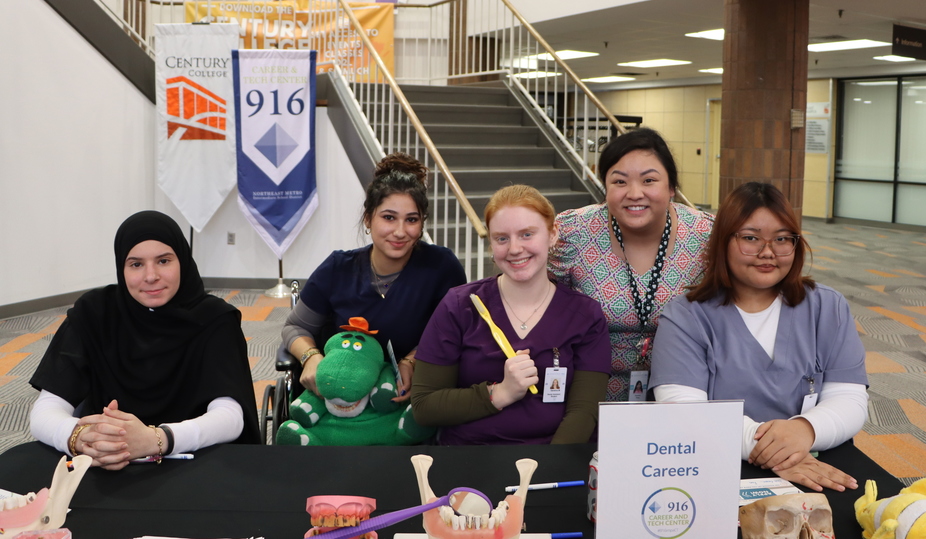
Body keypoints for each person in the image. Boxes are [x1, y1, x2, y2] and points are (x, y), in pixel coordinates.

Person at [650, 182, 868, 493]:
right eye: (750, 238)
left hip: (817, 464)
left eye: (782, 239)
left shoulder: (826, 306)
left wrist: (804, 430)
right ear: (723, 242)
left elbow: (850, 399)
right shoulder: (685, 317)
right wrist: (775, 450)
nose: (768, 252)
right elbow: (684, 411)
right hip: (718, 470)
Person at [30, 211, 260, 469]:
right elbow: (45, 410)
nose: (151, 276)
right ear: (122, 267)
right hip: (106, 464)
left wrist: (156, 439)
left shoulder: (215, 320)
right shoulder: (94, 314)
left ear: (182, 261)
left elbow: (231, 417)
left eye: (163, 261)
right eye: (136, 264)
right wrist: (80, 437)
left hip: (191, 463)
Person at [411, 185, 611, 445]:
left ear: (552, 235)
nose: (515, 249)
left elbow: (583, 414)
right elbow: (425, 406)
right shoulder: (460, 306)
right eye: (502, 238)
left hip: (552, 464)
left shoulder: (585, 315)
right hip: (469, 461)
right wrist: (500, 393)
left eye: (527, 234)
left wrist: (542, 472)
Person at [282, 153, 466, 401]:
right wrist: (311, 356)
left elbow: (455, 332)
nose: (400, 232)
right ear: (368, 218)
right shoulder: (338, 268)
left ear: (421, 225)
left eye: (411, 220)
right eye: (389, 218)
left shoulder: (441, 267)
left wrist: (412, 361)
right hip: (338, 395)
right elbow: (295, 326)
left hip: (408, 397)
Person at [549, 127, 714, 400]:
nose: (634, 193)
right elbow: (540, 304)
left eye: (649, 180)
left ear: (671, 187)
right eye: (620, 182)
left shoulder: (706, 236)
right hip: (587, 393)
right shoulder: (573, 232)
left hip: (681, 391)